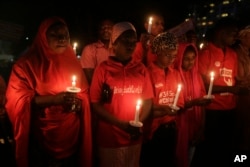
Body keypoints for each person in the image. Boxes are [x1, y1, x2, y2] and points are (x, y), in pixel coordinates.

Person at [5, 16, 92, 167]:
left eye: (65, 35)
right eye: (55, 35)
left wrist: (79, 104)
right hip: (42, 140)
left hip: (71, 137)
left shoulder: (72, 61)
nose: (62, 39)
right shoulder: (26, 65)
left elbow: (83, 92)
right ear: (43, 38)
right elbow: (16, 100)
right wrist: (54, 100)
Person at [89, 21, 154, 167]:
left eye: (133, 41)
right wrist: (120, 124)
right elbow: (95, 103)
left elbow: (148, 101)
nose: (131, 45)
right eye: (125, 41)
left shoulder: (141, 69)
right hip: (110, 137)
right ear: (115, 43)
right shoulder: (103, 69)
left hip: (134, 136)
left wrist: (138, 124)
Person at [196, 17, 247, 167]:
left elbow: (234, 79)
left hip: (230, 109)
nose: (235, 38)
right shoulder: (206, 53)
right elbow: (203, 86)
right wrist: (230, 89)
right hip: (212, 110)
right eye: (233, 34)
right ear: (221, 33)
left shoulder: (233, 54)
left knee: (226, 147)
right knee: (211, 149)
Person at [140, 31, 185, 167]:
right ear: (157, 52)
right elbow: (146, 107)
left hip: (171, 128)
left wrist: (174, 109)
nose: (171, 59)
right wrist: (165, 110)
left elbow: (180, 102)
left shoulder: (175, 74)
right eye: (167, 55)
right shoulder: (148, 73)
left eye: (174, 56)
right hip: (153, 131)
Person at [173, 43, 212, 167]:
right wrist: (194, 102)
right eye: (186, 59)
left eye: (193, 58)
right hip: (180, 126)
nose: (191, 62)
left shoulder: (197, 77)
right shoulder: (174, 75)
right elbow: (175, 106)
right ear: (179, 58)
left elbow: (202, 105)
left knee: (190, 159)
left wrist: (201, 127)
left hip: (194, 124)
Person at [232, 25, 250, 152]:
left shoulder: (246, 53)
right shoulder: (237, 53)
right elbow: (240, 76)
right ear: (243, 37)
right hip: (241, 96)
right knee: (242, 127)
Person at [80, 18, 114, 84]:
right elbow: (89, 77)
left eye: (109, 27)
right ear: (98, 31)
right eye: (102, 28)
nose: (106, 30)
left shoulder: (119, 49)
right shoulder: (89, 49)